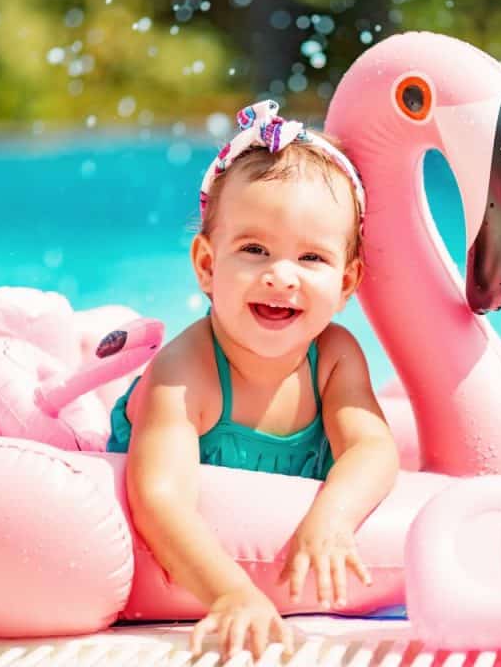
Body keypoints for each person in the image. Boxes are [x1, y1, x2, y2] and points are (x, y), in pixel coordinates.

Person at [106, 100, 400, 658]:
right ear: (207, 265)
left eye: (312, 257)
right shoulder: (185, 370)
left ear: (346, 282)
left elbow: (372, 447)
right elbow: (158, 498)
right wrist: (232, 594)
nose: (280, 276)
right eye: (255, 249)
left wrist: (333, 518)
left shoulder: (335, 357)